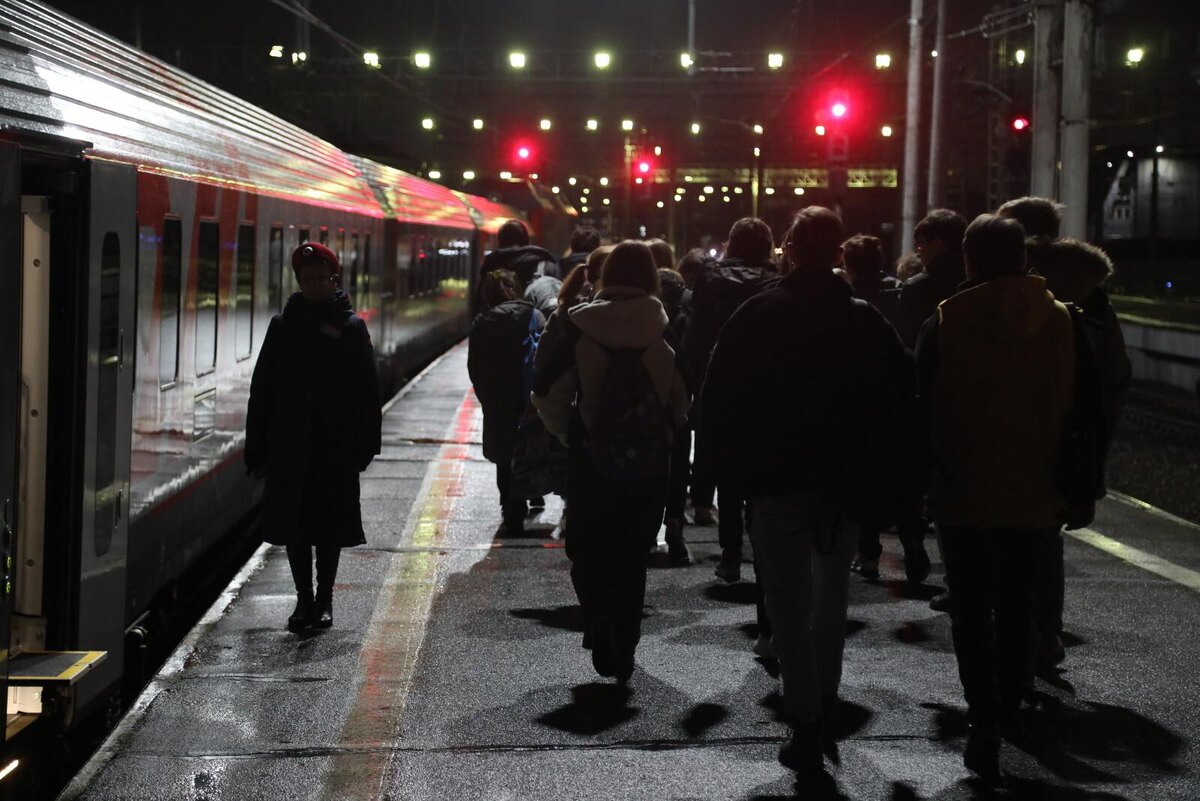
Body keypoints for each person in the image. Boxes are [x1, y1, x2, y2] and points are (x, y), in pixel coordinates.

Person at [702, 207, 914, 778]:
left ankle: (804, 713)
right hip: (843, 484)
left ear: (789, 249)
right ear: (839, 253)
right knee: (831, 595)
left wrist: (718, 477)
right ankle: (823, 699)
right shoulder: (865, 320)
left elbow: (717, 398)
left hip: (772, 483)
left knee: (787, 604)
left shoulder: (756, 314)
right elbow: (903, 398)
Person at [915, 214, 1077, 784]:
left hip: (963, 493)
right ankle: (1010, 707)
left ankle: (983, 716)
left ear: (969, 260)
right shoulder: (1060, 322)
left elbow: (922, 409)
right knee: (1016, 606)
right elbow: (1083, 413)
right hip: (1035, 493)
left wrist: (920, 483)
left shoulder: (945, 322)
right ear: (1024, 260)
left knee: (970, 609)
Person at [533, 241, 690, 683]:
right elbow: (683, 397)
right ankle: (625, 635)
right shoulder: (664, 325)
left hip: (590, 459)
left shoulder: (577, 323)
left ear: (604, 276)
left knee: (588, 548)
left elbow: (548, 393)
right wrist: (664, 432)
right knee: (633, 552)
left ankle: (598, 616)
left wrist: (572, 434)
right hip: (649, 460)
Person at [997, 196, 1131, 671]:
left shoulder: (1007, 278)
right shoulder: (1090, 288)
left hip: (1007, 427)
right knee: (1044, 537)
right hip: (1068, 432)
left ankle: (1009, 637)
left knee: (995, 535)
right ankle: (1045, 634)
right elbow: (1114, 373)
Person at [245, 242, 382, 633]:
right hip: (290, 446)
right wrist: (256, 445)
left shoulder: (351, 327)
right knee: (296, 528)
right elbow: (263, 389)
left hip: (333, 448)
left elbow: (367, 393)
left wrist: (365, 445)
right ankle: (303, 598)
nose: (315, 285)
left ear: (334, 279)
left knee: (328, 528)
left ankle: (325, 599)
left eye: (322, 279)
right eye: (308, 280)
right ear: (298, 281)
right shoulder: (283, 326)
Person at [683, 217, 782, 581]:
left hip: (718, 380)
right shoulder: (774, 282)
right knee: (759, 466)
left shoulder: (709, 281)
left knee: (727, 469)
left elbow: (695, 336)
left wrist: (691, 383)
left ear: (731, 243)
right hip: (763, 383)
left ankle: (730, 552)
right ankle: (760, 548)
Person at [840, 235, 929, 583]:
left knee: (865, 477)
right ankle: (912, 541)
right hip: (899, 394)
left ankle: (868, 553)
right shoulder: (899, 291)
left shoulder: (848, 297)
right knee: (902, 480)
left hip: (861, 398)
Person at [468, 269, 546, 536]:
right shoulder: (535, 316)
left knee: (504, 454)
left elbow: (474, 366)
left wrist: (486, 396)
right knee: (529, 447)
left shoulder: (482, 322)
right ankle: (530, 494)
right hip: (528, 395)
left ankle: (510, 505)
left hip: (498, 398)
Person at [895, 209, 967, 349]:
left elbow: (906, 340)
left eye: (920, 245)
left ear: (938, 244)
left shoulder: (916, 288)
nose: (918, 253)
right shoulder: (974, 282)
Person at [475, 219, 557, 311]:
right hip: (533, 321)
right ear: (526, 239)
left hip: (496, 321)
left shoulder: (492, 264)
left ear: (500, 240)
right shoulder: (544, 263)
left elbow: (480, 302)